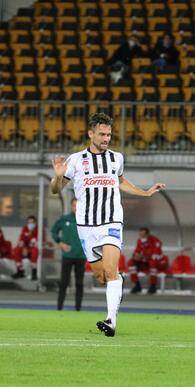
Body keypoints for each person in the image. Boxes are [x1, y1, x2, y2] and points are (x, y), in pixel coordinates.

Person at [50, 112, 165, 337]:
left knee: (111, 270)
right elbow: (55, 190)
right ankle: (117, 282)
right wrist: (58, 176)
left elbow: (120, 181)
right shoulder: (75, 160)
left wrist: (144, 192)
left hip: (111, 220)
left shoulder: (116, 158)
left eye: (109, 135)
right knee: (102, 277)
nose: (106, 139)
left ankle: (111, 321)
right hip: (86, 226)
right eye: (102, 134)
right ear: (90, 134)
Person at [51, 198, 86, 311]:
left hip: (81, 256)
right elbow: (54, 231)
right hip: (67, 256)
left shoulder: (87, 219)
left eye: (78, 206)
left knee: (79, 283)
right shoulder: (65, 219)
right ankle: (59, 307)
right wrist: (61, 243)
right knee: (64, 282)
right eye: (74, 206)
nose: (76, 208)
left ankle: (78, 308)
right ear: (71, 206)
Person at [128, 227, 167, 295]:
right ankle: (137, 285)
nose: (141, 236)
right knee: (131, 262)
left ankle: (153, 286)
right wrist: (135, 255)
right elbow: (137, 250)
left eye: (143, 234)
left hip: (155, 262)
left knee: (153, 263)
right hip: (144, 261)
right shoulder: (139, 240)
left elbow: (156, 253)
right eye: (140, 234)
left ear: (148, 234)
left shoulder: (155, 240)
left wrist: (143, 256)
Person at [11, 215, 39, 280]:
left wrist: (31, 234)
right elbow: (21, 239)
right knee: (16, 250)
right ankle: (20, 271)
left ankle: (34, 273)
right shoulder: (25, 228)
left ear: (35, 223)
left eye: (32, 222)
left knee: (35, 251)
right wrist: (24, 247)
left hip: (34, 248)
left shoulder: (39, 230)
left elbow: (37, 241)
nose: (30, 224)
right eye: (29, 222)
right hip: (26, 248)